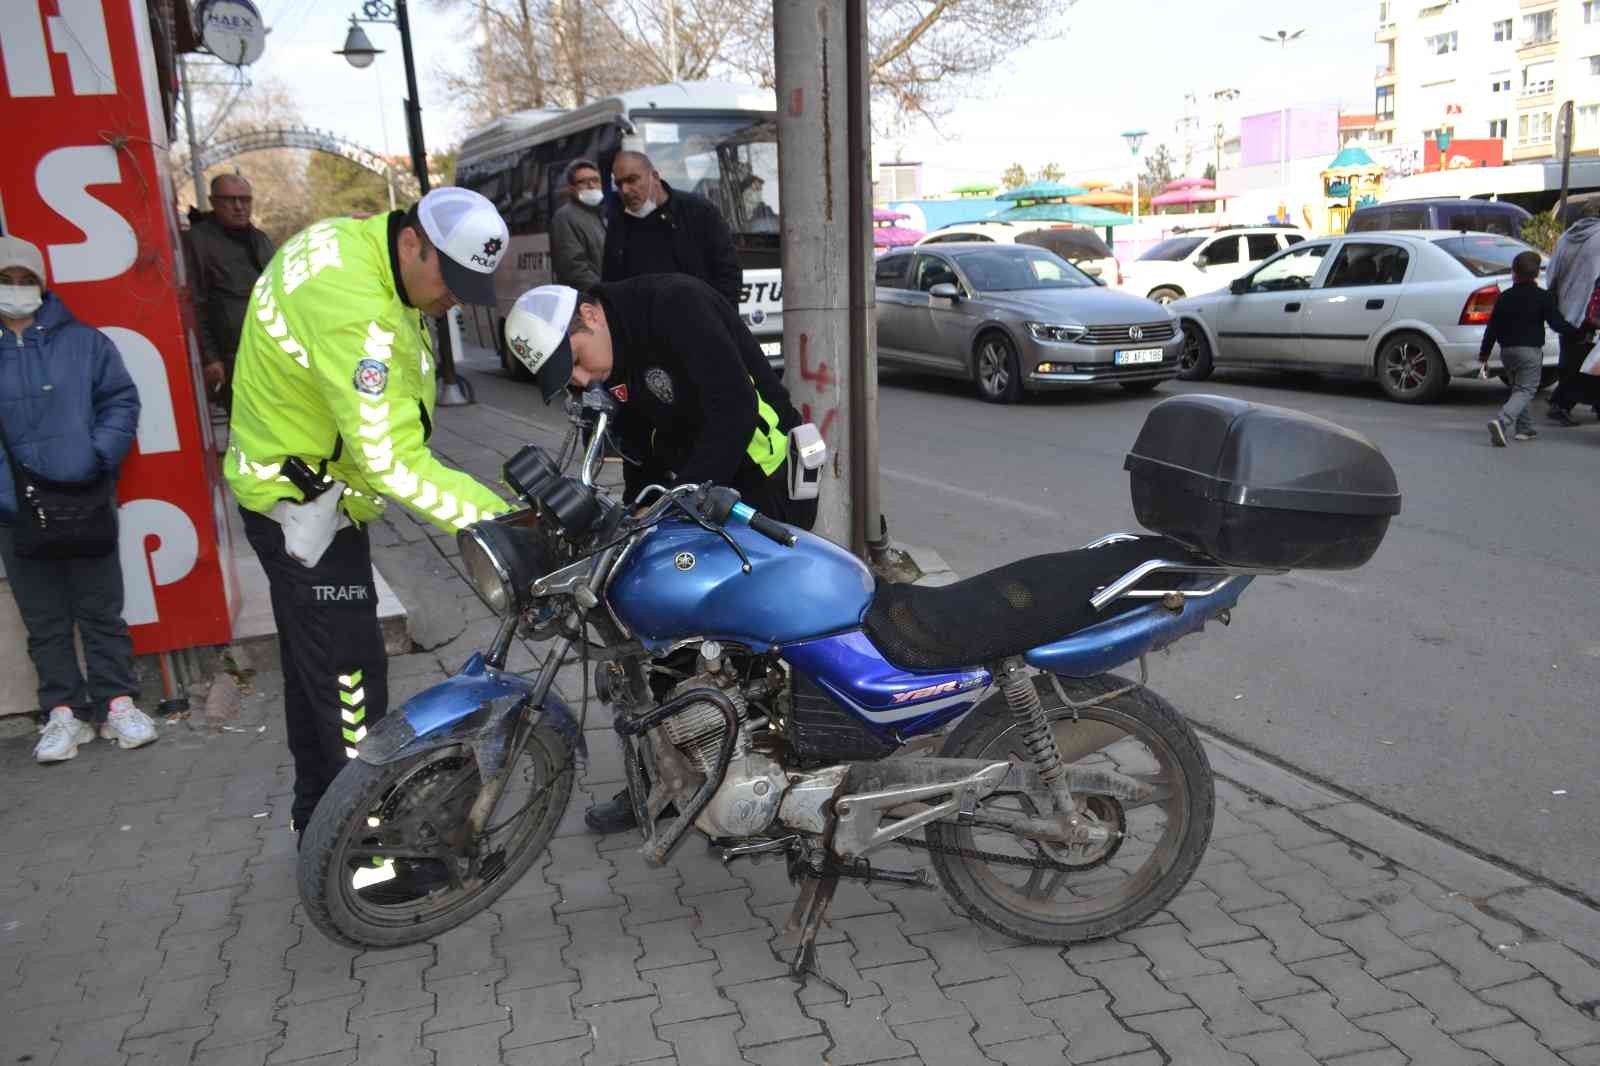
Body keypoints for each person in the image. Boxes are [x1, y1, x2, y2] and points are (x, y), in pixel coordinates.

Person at [225, 188, 512, 854]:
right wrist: (502, 523)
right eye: (452, 279)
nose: (457, 301)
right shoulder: (356, 307)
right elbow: (391, 462)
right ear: (414, 241)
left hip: (298, 492)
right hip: (303, 514)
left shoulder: (355, 245)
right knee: (349, 680)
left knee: (312, 673)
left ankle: (316, 826)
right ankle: (365, 853)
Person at [504, 273, 818, 834]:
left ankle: (782, 771)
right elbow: (643, 442)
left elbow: (733, 410)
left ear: (591, 317)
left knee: (757, 640)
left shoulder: (677, 306)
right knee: (660, 634)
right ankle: (672, 779)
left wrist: (682, 499)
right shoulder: (614, 352)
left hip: (757, 480)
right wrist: (628, 519)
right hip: (693, 487)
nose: (580, 380)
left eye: (575, 362)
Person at [0, 235, 154, 763]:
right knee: (43, 619)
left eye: (26, 280)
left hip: (82, 497)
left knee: (100, 608)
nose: (17, 290)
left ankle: (117, 703)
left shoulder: (85, 343)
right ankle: (62, 714)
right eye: (6, 280)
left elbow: (120, 400)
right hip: (14, 510)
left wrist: (97, 456)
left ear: (43, 285)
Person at [602, 150, 743, 309]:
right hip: (643, 327)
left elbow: (728, 272)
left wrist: (718, 318)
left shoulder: (699, 212)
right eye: (619, 184)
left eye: (632, 180)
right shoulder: (618, 221)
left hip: (697, 321)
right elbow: (610, 281)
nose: (625, 190)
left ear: (654, 176)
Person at [184, 174, 276, 412]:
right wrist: (210, 358)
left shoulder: (260, 239)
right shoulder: (199, 241)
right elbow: (196, 301)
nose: (238, 207)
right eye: (230, 200)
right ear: (214, 201)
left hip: (271, 350)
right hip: (232, 357)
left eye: (244, 200)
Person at [1479, 250, 1584, 447]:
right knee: (1526, 389)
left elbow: (1492, 327)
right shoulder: (1542, 297)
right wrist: (1578, 331)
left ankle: (1524, 429)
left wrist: (1484, 353)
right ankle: (1502, 421)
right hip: (1529, 351)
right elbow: (1556, 323)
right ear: (1536, 274)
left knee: (1519, 389)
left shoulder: (1505, 297)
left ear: (1514, 273)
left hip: (1507, 352)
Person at [1544, 203, 1600, 425]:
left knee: (1572, 359)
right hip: (1591, 311)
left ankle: (1572, 403)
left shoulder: (1567, 236)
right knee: (1588, 362)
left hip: (1567, 307)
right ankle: (1561, 404)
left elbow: (1552, 273)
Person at [551, 160, 606, 290]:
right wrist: (606, 291)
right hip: (588, 300)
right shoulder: (564, 217)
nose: (591, 185)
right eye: (583, 182)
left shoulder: (601, 215)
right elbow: (573, 269)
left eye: (595, 180)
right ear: (571, 188)